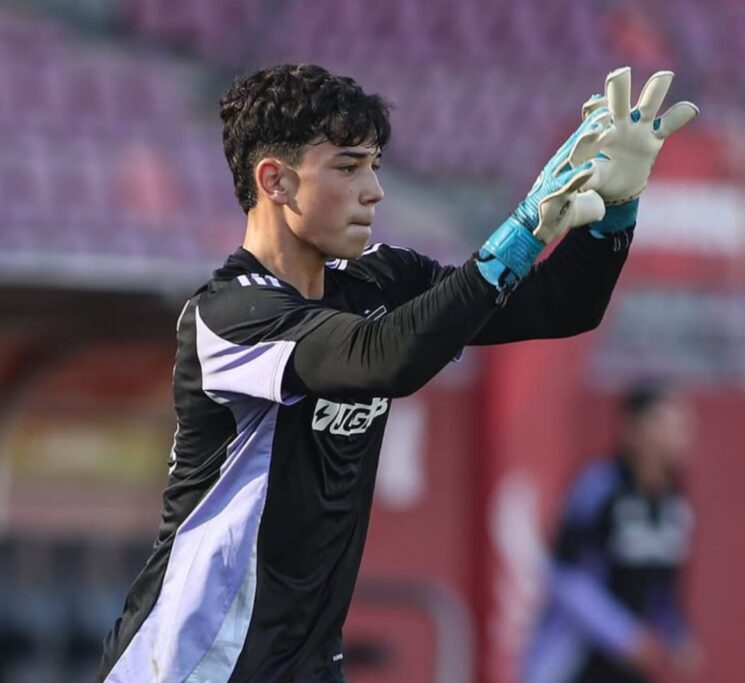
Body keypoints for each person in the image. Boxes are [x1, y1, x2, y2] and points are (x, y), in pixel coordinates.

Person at [97, 63, 697, 683]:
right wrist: (522, 229)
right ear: (274, 181)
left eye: (376, 166)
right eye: (348, 166)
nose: (374, 190)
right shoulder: (228, 315)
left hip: (305, 665)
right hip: (190, 665)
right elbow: (385, 357)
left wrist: (616, 213)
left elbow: (561, 307)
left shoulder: (382, 280)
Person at [524, 385, 701, 683]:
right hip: (576, 657)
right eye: (666, 424)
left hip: (630, 665)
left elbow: (663, 587)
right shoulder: (599, 487)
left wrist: (677, 635)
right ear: (634, 429)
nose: (677, 435)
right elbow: (563, 573)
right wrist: (620, 632)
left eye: (682, 425)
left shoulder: (675, 503)